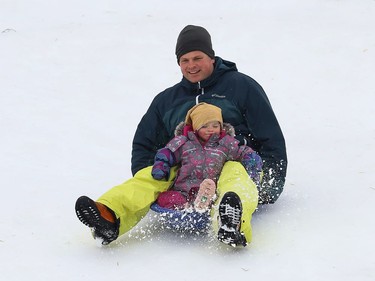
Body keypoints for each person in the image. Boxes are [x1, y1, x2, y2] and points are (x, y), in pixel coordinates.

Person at [75, 25, 287, 247]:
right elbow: (144, 144)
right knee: (149, 178)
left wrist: (268, 184)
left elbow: (271, 139)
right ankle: (109, 216)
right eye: (184, 60)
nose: (191, 65)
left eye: (198, 57)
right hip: (185, 168)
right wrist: (156, 178)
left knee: (236, 179)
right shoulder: (166, 101)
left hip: (229, 161)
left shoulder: (242, 87)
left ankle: (231, 224)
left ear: (212, 58)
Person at [152, 102, 262, 217]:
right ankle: (187, 207)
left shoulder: (225, 144)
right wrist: (161, 166)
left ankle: (205, 204)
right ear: (195, 127)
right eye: (204, 126)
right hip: (183, 190)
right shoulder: (184, 143)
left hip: (212, 189)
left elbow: (242, 151)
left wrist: (251, 161)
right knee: (164, 198)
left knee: (221, 200)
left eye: (215, 126)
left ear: (221, 127)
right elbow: (167, 153)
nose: (210, 130)